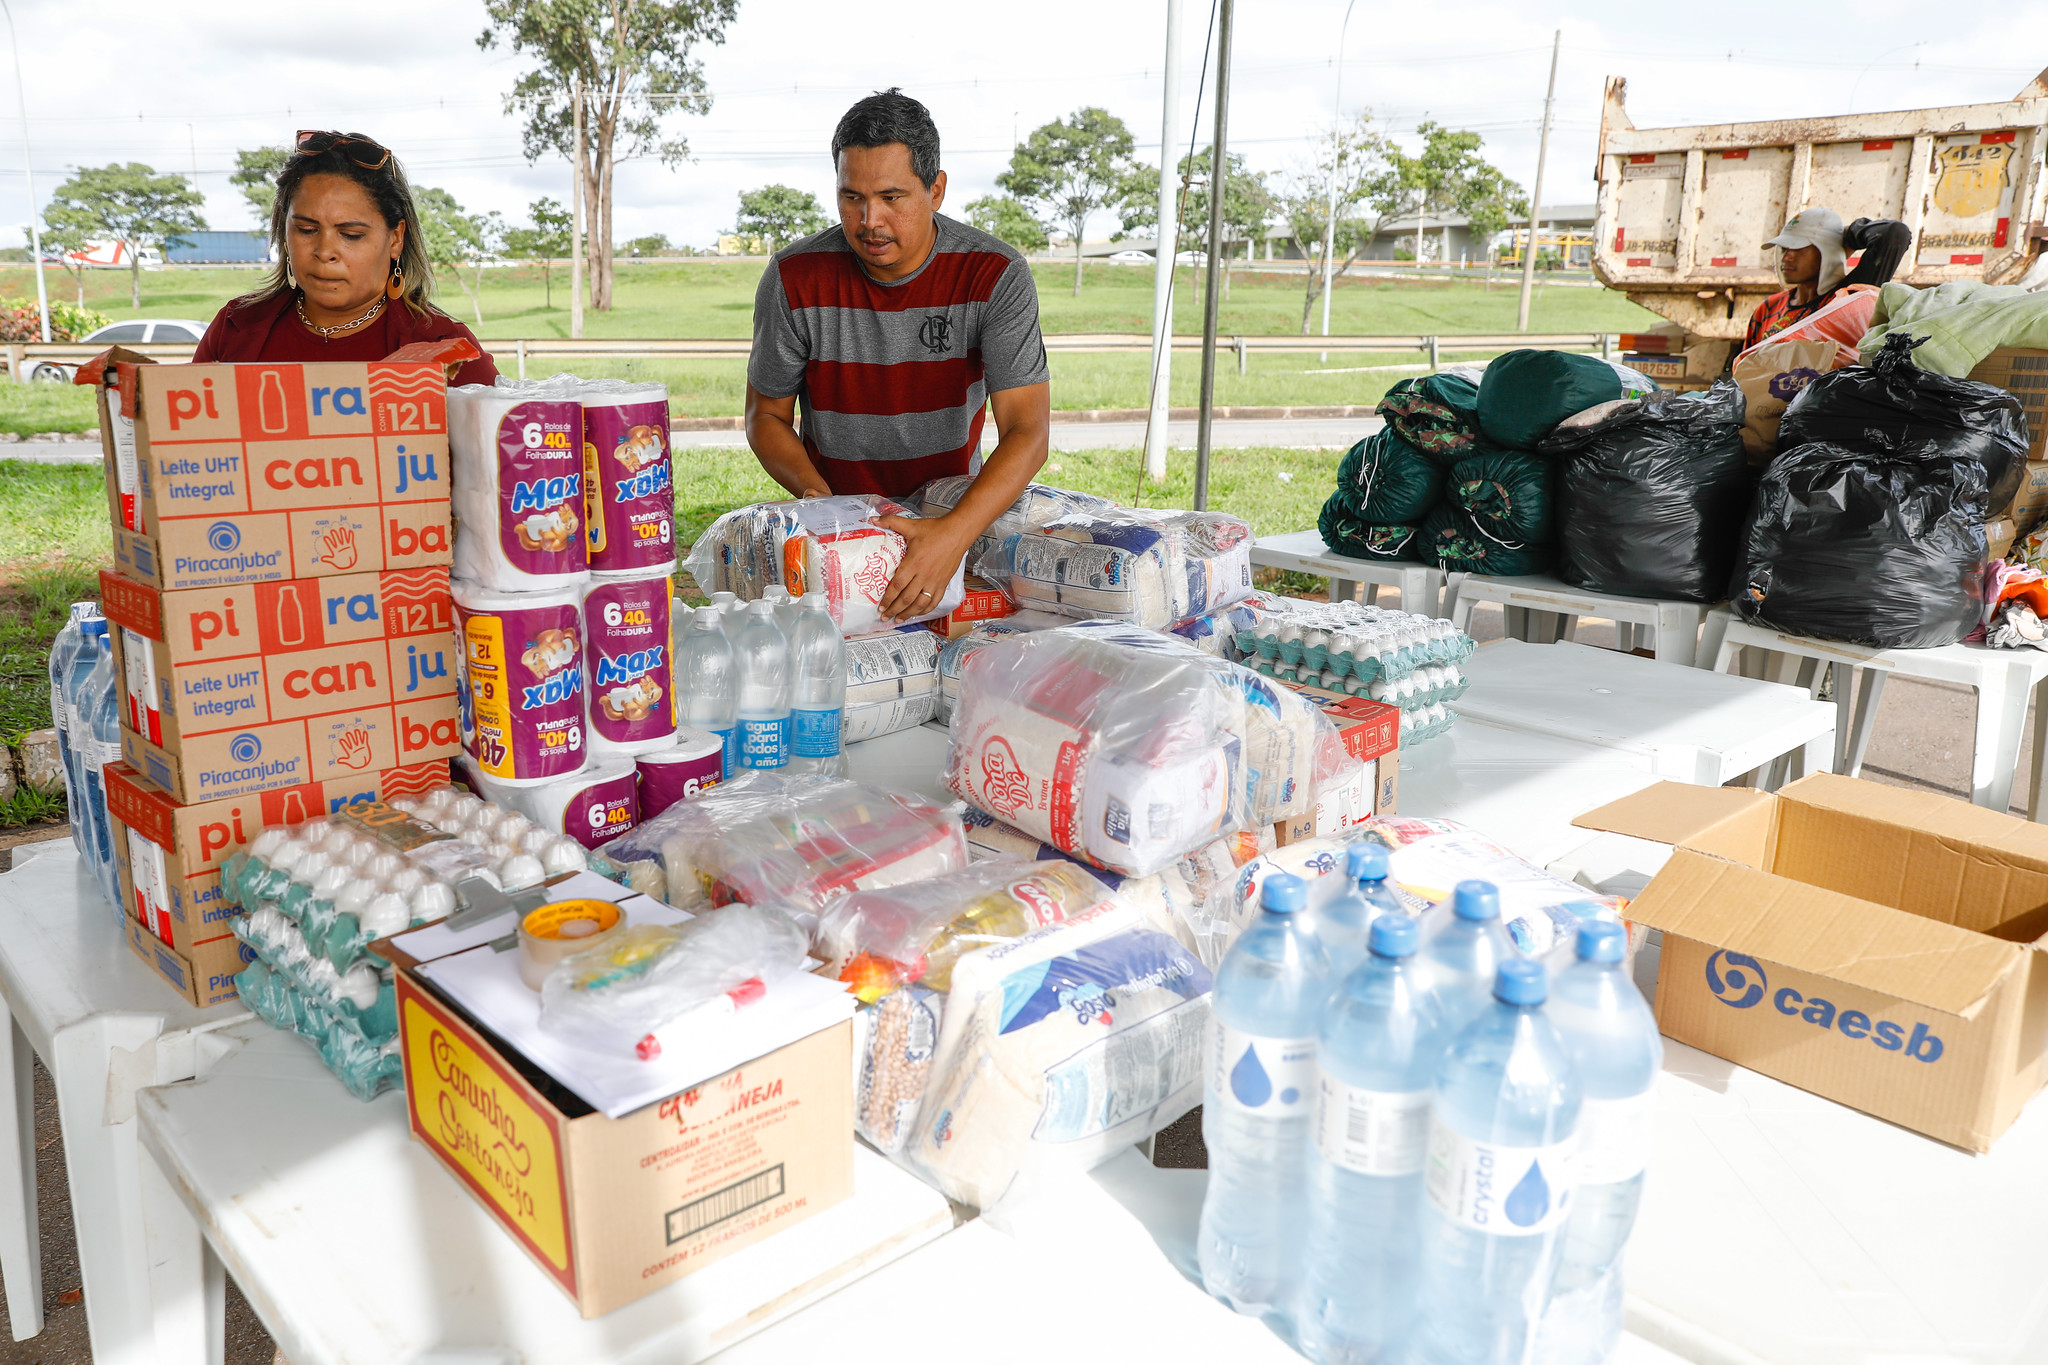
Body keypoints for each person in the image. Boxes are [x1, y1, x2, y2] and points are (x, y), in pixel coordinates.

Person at [746, 88, 1052, 622]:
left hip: (955, 518)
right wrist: (823, 503)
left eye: (892, 197)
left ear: (936, 190)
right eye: (852, 197)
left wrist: (952, 534)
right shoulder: (794, 277)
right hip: (839, 534)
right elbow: (765, 417)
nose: (870, 220)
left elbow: (1028, 431)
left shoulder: (995, 274)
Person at [194, 131, 498, 386]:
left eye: (351, 235)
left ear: (395, 238)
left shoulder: (446, 349)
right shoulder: (236, 328)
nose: (325, 251)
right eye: (306, 229)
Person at [1743, 209, 1912, 351]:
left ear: (1827, 251)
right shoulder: (1769, 308)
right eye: (1784, 249)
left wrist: (1847, 236)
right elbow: (1744, 366)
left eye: (1798, 248)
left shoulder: (1848, 299)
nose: (1786, 258)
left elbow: (1895, 234)